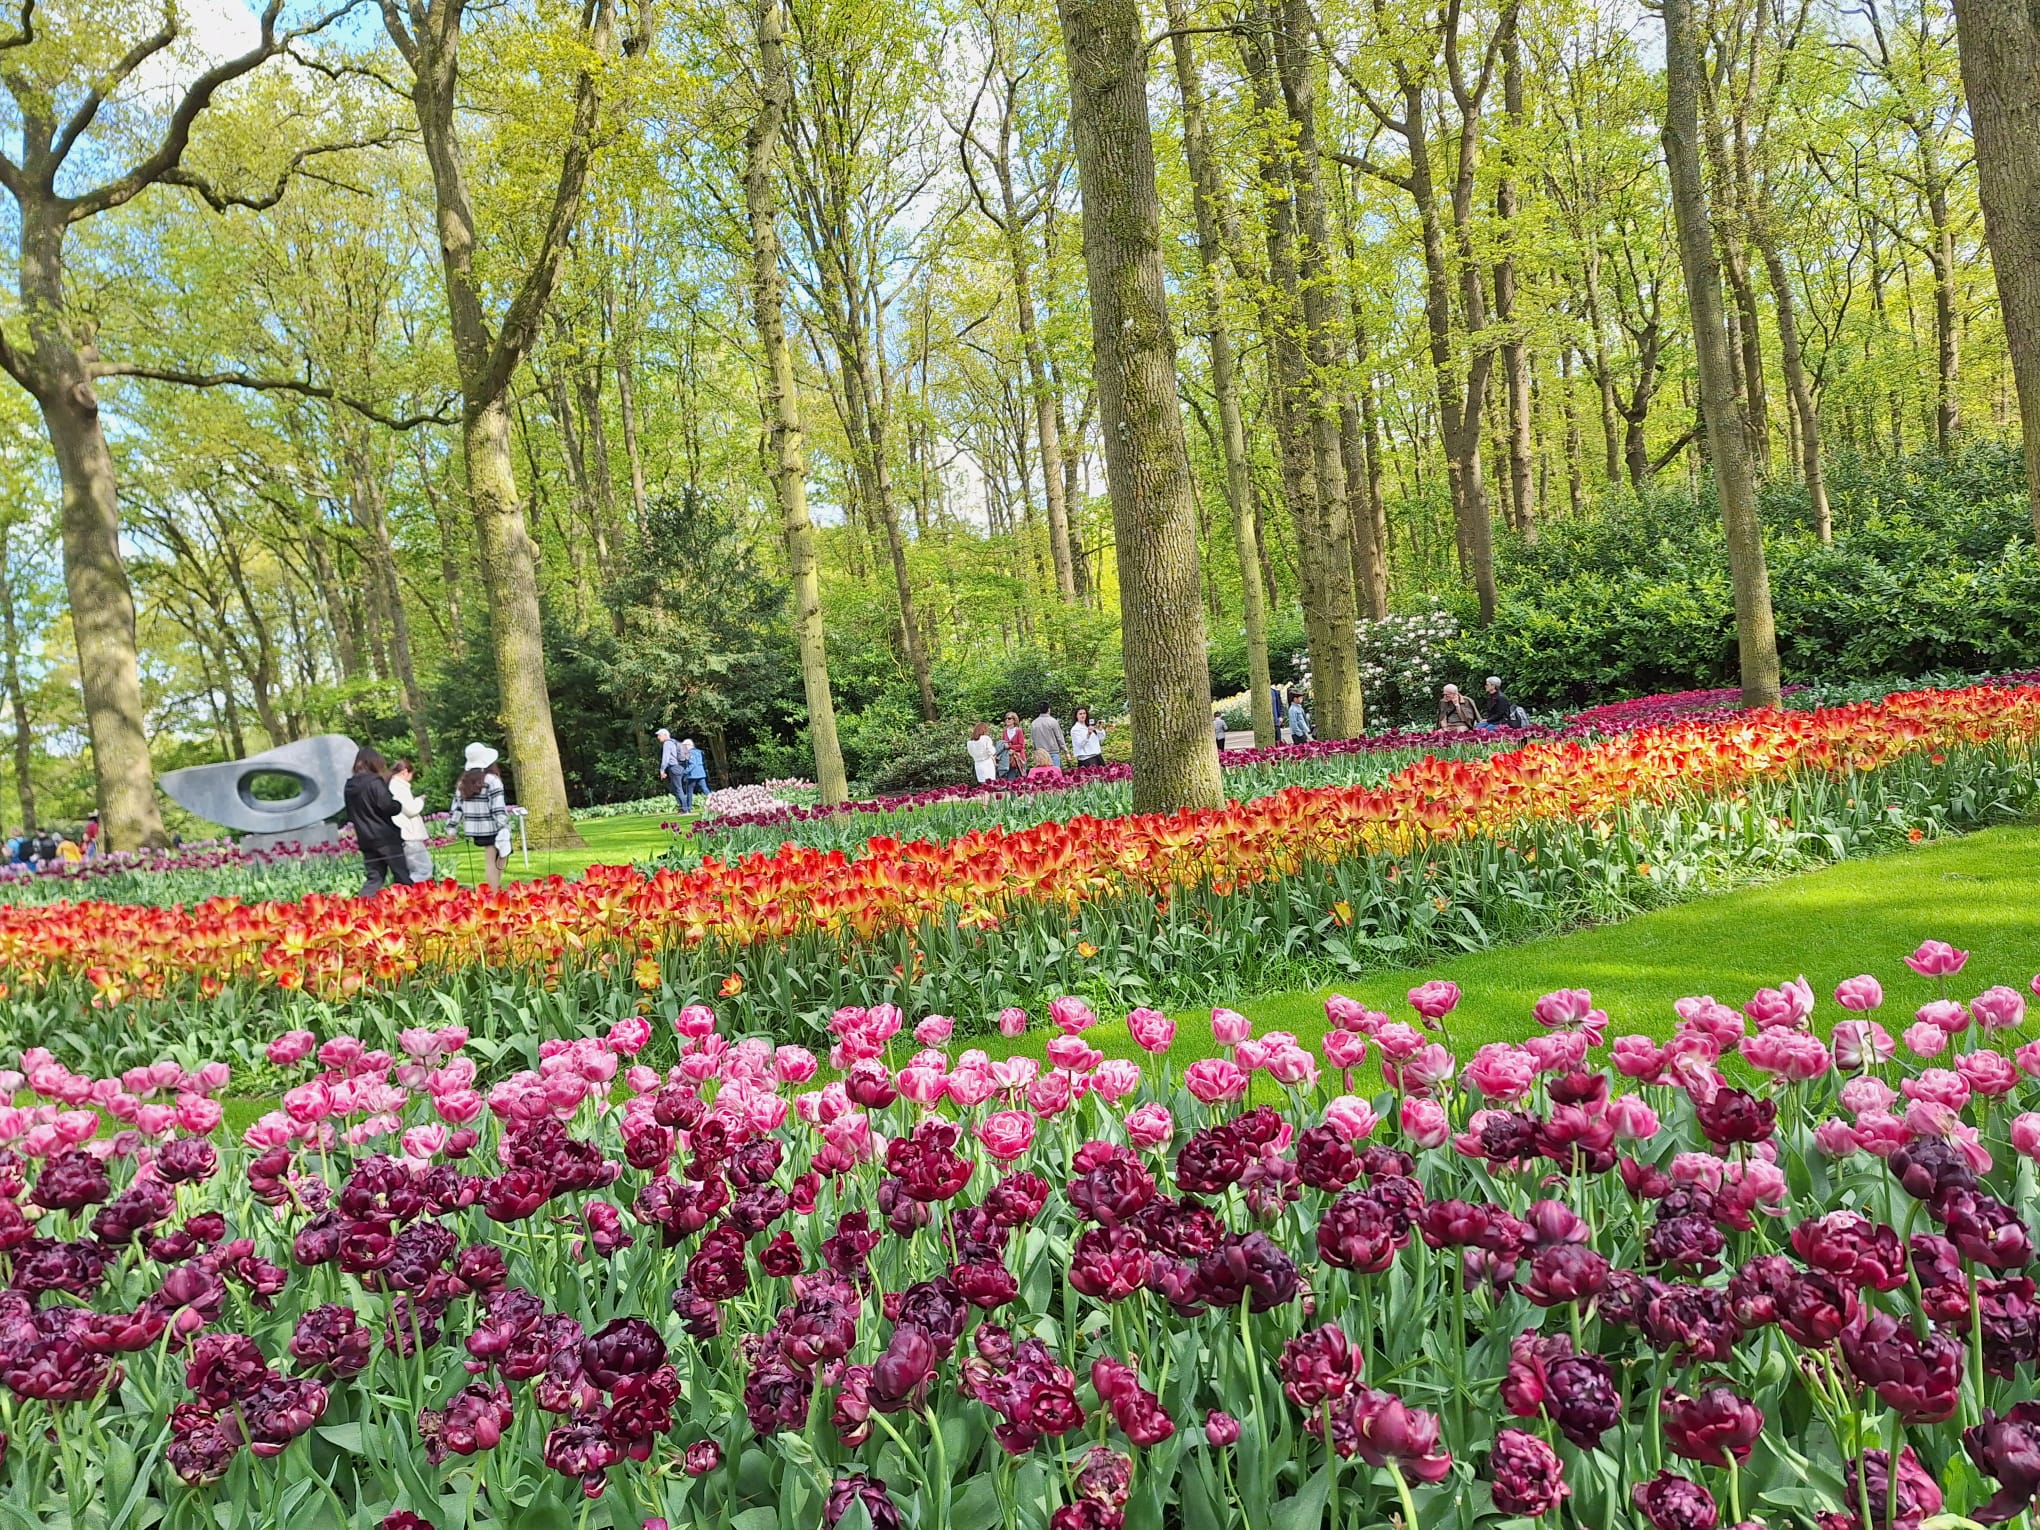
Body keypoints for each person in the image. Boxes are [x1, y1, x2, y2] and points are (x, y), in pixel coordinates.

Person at [343, 747, 412, 896]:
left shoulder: (349, 786)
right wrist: (398, 805)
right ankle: (411, 904)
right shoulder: (375, 782)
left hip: (365, 838)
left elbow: (350, 813)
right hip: (385, 837)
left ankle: (361, 905)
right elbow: (388, 806)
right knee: (402, 876)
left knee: (374, 879)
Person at [455, 742, 511, 890]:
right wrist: (503, 826)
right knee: (499, 857)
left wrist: (451, 827)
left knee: (493, 858)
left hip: (476, 829)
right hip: (493, 826)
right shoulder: (492, 781)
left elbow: (457, 807)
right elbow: (498, 807)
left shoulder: (463, 782)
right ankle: (495, 893)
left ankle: (495, 888)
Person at [389, 758, 434, 884]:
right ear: (404, 772)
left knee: (413, 870)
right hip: (410, 834)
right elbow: (410, 810)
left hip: (404, 834)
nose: (411, 778)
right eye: (411, 774)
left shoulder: (392, 785)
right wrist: (420, 800)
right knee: (423, 869)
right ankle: (413, 892)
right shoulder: (399, 787)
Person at [1029, 702, 1067, 772]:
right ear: (1048, 709)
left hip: (1040, 754)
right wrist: (1065, 750)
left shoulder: (1034, 723)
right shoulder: (1053, 721)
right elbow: (1059, 737)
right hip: (1053, 752)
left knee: (1041, 775)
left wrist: (1035, 750)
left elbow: (1033, 740)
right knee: (1055, 774)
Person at [674, 738, 710, 812]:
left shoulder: (690, 753)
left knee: (689, 792)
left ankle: (688, 807)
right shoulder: (699, 752)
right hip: (701, 773)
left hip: (693, 775)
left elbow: (692, 764)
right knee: (705, 789)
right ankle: (714, 801)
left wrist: (684, 772)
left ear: (688, 745)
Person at [656, 728, 687, 810]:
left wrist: (662, 770)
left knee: (678, 788)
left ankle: (685, 809)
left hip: (674, 767)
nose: (658, 737)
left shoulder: (667, 743)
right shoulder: (674, 742)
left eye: (659, 735)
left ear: (665, 735)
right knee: (675, 788)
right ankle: (683, 808)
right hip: (680, 767)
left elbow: (665, 758)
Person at [1000, 712, 1028, 780]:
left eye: (1009, 718)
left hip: (1019, 758)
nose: (1007, 720)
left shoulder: (1018, 731)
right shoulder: (1004, 731)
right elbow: (1002, 744)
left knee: (1022, 778)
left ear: (1014, 720)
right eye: (1006, 718)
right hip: (1009, 759)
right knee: (1010, 778)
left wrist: (1010, 747)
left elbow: (1021, 745)